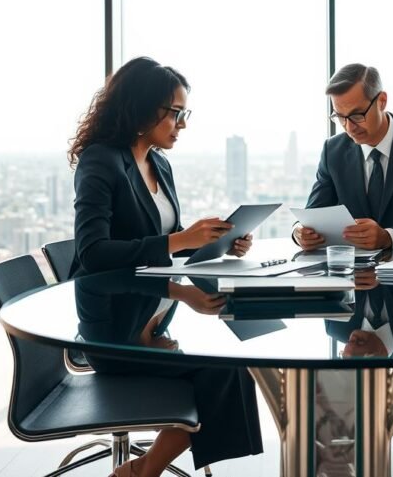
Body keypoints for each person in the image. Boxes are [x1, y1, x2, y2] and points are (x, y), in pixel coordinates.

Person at [68, 56, 263, 477]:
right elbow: (93, 254)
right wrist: (180, 248)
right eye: (176, 112)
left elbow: (159, 251)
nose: (182, 123)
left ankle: (145, 468)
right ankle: (145, 470)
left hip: (153, 324)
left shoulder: (160, 163)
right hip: (115, 333)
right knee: (222, 373)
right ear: (142, 106)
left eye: (183, 113)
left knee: (228, 369)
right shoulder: (101, 161)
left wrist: (219, 244)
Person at [295, 63, 393, 450]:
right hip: (351, 284)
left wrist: (389, 235)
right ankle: (356, 410)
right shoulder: (334, 150)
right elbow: (315, 209)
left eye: (355, 114)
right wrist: (303, 233)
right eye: (339, 117)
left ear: (381, 100)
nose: (348, 126)